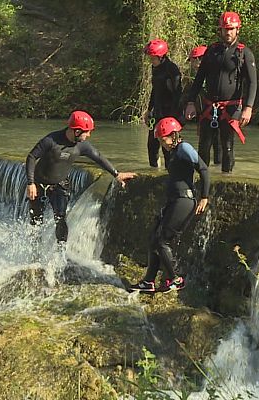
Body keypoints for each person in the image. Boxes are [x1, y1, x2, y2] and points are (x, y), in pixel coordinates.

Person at [25, 110, 136, 243]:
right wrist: (30, 183)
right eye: (87, 132)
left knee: (60, 219)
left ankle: (59, 253)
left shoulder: (82, 146)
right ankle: (34, 252)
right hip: (39, 184)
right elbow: (31, 157)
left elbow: (98, 157)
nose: (88, 135)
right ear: (76, 131)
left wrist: (117, 174)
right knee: (36, 220)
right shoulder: (51, 140)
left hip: (60, 185)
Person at [129, 117, 210, 293]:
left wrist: (204, 196)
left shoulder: (184, 148)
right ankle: (148, 282)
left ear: (173, 135)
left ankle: (176, 279)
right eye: (159, 140)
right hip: (174, 200)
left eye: (163, 139)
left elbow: (203, 169)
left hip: (184, 201)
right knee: (153, 239)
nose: (162, 143)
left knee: (161, 241)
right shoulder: (173, 152)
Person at [183, 11, 257, 173]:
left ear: (238, 29)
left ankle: (226, 179)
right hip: (210, 107)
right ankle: (203, 182)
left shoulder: (245, 54)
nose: (228, 32)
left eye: (231, 29)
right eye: (225, 29)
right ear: (221, 31)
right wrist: (190, 102)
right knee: (203, 146)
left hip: (231, 108)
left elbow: (252, 83)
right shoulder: (212, 51)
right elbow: (199, 78)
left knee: (227, 146)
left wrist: (248, 107)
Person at [143, 39, 183, 169]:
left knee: (168, 149)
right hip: (157, 112)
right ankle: (153, 171)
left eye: (153, 58)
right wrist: (149, 110)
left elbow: (178, 95)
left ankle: (169, 173)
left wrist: (173, 117)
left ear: (161, 56)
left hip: (169, 113)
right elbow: (155, 90)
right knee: (152, 146)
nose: (151, 61)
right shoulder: (155, 68)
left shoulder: (172, 70)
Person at [185, 45, 222, 165]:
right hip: (204, 117)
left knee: (218, 145)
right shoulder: (197, 79)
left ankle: (219, 171)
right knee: (204, 148)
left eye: (194, 60)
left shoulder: (212, 76)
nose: (193, 64)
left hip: (217, 114)